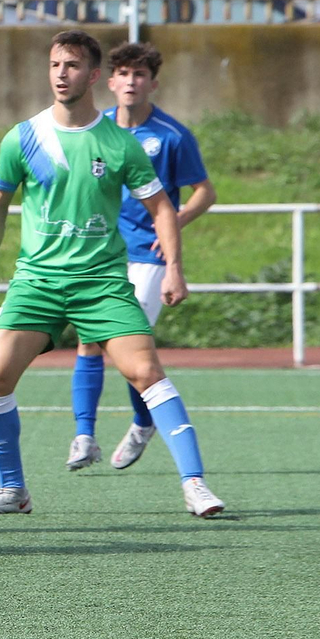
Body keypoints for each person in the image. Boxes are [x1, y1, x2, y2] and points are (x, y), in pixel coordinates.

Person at [0, 30, 225, 519]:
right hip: (37, 282)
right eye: (55, 65)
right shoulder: (23, 137)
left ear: (93, 75)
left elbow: (162, 208)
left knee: (146, 373)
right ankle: (13, 490)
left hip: (102, 283)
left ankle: (195, 485)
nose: (61, 74)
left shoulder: (120, 143)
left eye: (73, 65)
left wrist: (174, 268)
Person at [68, 42, 216, 471]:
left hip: (148, 258)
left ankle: (143, 421)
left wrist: (175, 225)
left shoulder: (171, 136)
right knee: (89, 339)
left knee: (128, 348)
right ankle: (84, 436)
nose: (131, 82)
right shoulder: (96, 130)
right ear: (109, 81)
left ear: (153, 83)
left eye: (140, 75)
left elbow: (205, 192)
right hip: (101, 254)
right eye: (124, 74)